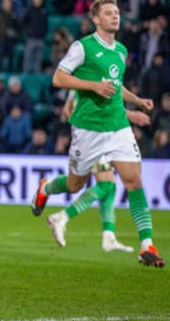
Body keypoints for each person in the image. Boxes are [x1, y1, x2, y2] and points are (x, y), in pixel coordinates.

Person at [29, 0, 164, 267]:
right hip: (88, 130)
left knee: (134, 180)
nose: (115, 16)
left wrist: (136, 102)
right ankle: (46, 187)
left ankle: (147, 246)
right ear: (96, 19)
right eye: (109, 13)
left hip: (117, 127)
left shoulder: (121, 50)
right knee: (74, 184)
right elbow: (59, 78)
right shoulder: (83, 47)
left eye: (117, 12)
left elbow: (115, 85)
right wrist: (93, 86)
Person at [33, 91, 150, 253]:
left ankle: (108, 236)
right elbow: (72, 109)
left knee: (107, 185)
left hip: (103, 136)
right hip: (90, 139)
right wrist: (129, 114)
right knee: (100, 185)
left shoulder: (87, 75)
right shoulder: (84, 76)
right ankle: (61, 216)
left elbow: (102, 99)